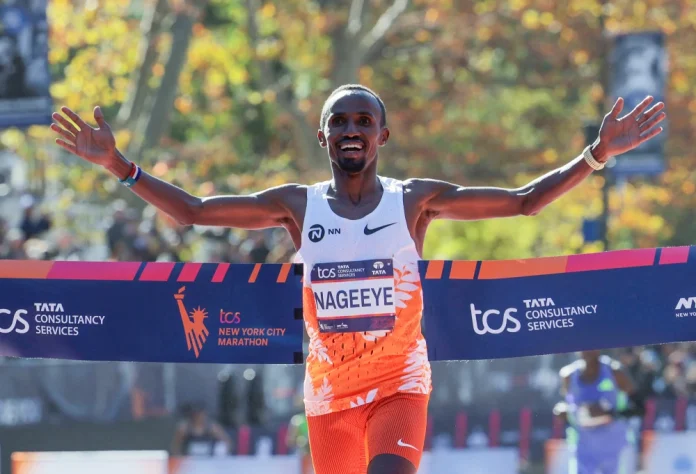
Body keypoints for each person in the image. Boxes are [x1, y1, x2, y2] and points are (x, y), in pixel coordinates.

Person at [50, 84, 665, 474]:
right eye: (339, 121)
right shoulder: (297, 205)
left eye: (363, 122)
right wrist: (118, 166)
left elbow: (525, 201)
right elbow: (192, 212)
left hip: (400, 386)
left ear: (382, 136)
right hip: (328, 398)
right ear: (323, 135)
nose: (351, 130)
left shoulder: (414, 200)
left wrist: (596, 156)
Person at [554, 351, 645, 474]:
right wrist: (562, 411)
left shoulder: (615, 372)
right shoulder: (568, 375)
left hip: (613, 449)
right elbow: (567, 405)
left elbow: (640, 409)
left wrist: (609, 413)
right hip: (583, 449)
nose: (587, 351)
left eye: (591, 346)